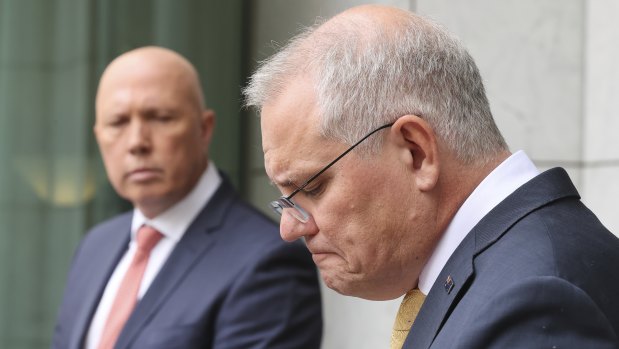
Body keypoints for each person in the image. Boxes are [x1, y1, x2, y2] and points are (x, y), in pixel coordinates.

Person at [244, 4, 619, 349]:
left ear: (416, 152)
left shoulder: (536, 300)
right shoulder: (512, 272)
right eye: (286, 199)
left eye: (312, 187)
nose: (290, 229)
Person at [52, 46, 322, 349]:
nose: (137, 142)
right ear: (98, 136)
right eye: (118, 123)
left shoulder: (268, 262)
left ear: (204, 129)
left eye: (161, 117)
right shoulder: (94, 247)